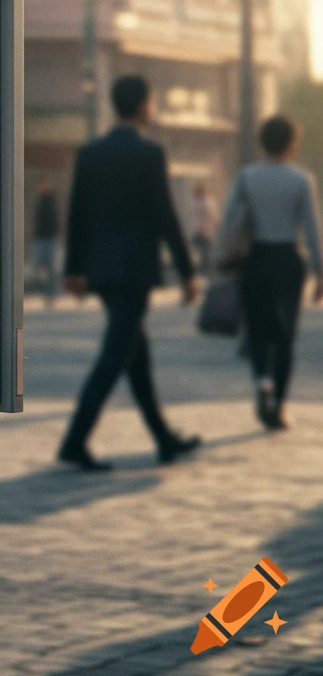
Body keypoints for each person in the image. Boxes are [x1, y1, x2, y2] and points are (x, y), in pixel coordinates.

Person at [58, 75, 201, 471]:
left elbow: (78, 213)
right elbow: (165, 215)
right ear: (142, 105)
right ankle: (74, 440)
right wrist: (188, 271)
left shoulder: (91, 153)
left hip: (102, 272)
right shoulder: (149, 153)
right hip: (135, 271)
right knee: (114, 358)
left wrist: (73, 269)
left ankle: (164, 439)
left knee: (135, 354)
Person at [220, 115, 323, 430]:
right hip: (288, 260)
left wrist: (223, 259)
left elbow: (227, 221)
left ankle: (261, 381)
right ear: (291, 143)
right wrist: (320, 272)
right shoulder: (301, 180)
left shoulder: (246, 176)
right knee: (285, 334)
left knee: (259, 329)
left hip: (255, 260)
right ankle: (279, 404)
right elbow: (312, 228)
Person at [32, 179, 60, 306]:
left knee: (49, 265)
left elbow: (54, 219)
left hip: (48, 237)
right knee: (38, 265)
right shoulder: (39, 201)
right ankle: (45, 290)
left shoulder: (50, 201)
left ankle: (50, 293)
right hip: (40, 237)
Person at [190, 181, 215, 274]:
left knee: (205, 249)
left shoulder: (204, 202)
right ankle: (205, 267)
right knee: (204, 249)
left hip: (203, 228)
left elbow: (207, 215)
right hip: (200, 228)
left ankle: (205, 267)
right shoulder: (200, 201)